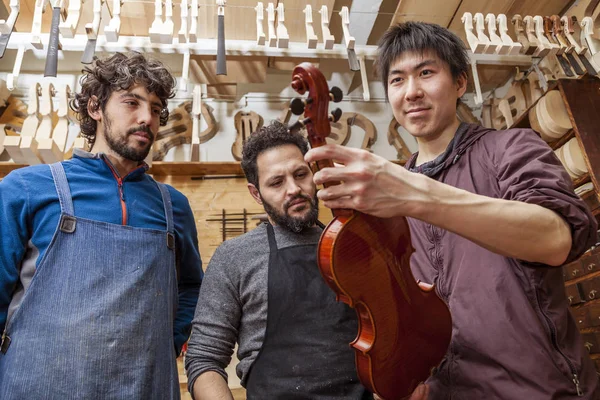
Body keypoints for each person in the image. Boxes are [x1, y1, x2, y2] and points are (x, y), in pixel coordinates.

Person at [305, 21, 599, 399]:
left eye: (426, 73)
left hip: (538, 388)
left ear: (460, 83)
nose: (412, 92)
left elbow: (556, 239)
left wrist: (416, 194)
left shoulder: (510, 148)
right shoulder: (390, 194)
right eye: (397, 80)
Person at [0, 52, 203, 399]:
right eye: (131, 102)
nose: (146, 118)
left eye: (155, 108)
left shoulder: (173, 207)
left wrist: (163, 348)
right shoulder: (26, 189)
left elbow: (192, 288)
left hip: (143, 387)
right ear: (95, 108)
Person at [185, 121, 391, 400]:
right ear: (256, 193)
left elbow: (388, 340)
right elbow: (204, 359)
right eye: (277, 182)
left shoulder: (354, 247)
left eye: (300, 174)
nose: (294, 189)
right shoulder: (234, 257)